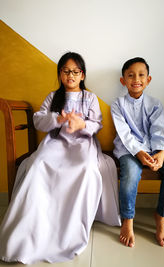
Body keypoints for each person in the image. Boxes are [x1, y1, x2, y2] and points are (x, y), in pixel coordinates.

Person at [0, 52, 121, 264]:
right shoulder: (52, 97)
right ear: (60, 74)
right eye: (65, 71)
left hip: (82, 144)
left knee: (85, 168)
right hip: (56, 142)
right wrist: (58, 119)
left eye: (75, 71)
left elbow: (97, 123)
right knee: (37, 165)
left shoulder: (89, 97)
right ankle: (34, 222)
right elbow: (39, 121)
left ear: (82, 75)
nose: (70, 75)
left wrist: (81, 124)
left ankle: (70, 225)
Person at [111, 57, 164, 248]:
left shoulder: (155, 104)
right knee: (131, 174)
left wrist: (160, 153)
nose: (136, 79)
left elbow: (159, 130)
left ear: (148, 79)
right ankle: (127, 220)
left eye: (141, 75)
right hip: (128, 150)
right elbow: (124, 134)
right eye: (131, 75)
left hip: (156, 148)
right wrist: (139, 153)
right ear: (123, 80)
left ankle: (161, 216)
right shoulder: (117, 105)